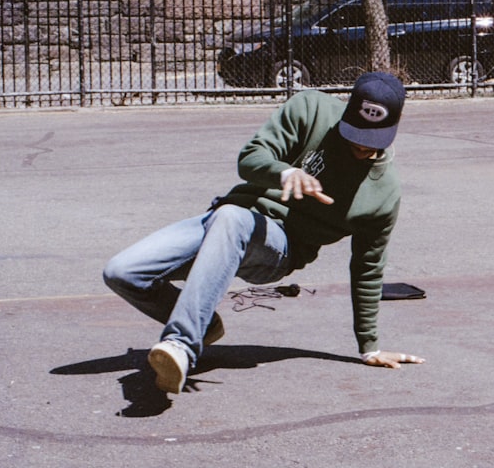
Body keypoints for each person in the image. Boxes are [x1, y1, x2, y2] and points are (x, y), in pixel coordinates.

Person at [103, 71, 425, 394]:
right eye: (354, 133)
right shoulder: (310, 109)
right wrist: (283, 173)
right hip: (226, 223)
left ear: (393, 129)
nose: (359, 146)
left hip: (278, 250)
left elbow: (367, 269)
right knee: (122, 273)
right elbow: (250, 158)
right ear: (346, 111)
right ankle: (206, 324)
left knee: (233, 219)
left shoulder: (384, 195)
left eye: (371, 141)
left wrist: (369, 346)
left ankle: (181, 346)